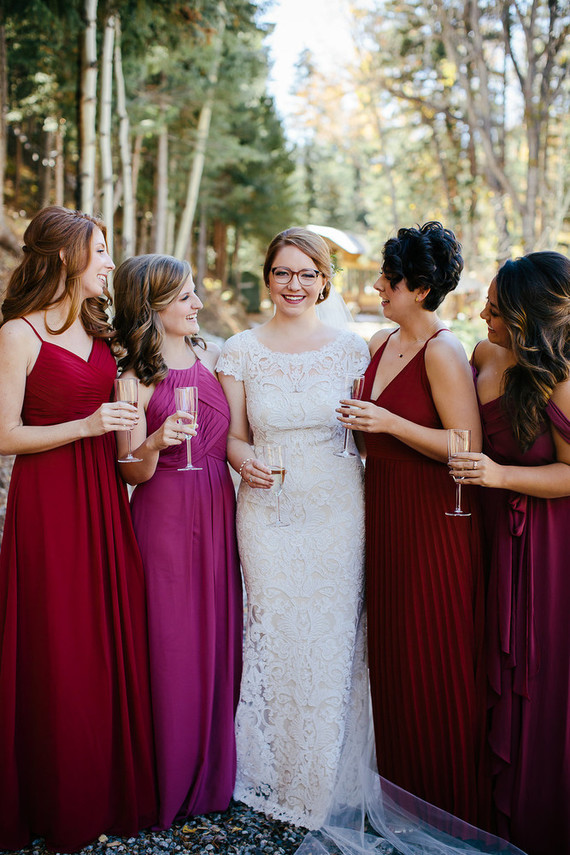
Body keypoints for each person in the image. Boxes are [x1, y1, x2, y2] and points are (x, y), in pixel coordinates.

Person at [0, 206, 157, 852]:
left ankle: (101, 786)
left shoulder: (102, 333)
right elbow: (3, 434)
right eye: (100, 251)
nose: (110, 263)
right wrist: (87, 426)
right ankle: (50, 794)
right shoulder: (19, 333)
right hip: (47, 508)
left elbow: (124, 423)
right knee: (55, 644)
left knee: (99, 640)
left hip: (101, 501)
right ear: (65, 256)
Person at [217, 227, 370, 830]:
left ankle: (327, 776)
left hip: (337, 508)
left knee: (331, 634)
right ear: (268, 278)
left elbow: (368, 433)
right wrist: (242, 461)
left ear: (325, 280)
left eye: (307, 274)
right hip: (267, 509)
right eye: (283, 272)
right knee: (273, 626)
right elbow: (231, 435)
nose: (294, 285)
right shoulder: (240, 349)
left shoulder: (354, 350)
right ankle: (270, 770)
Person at [339, 222, 489, 827]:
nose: (377, 286)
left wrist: (387, 424)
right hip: (388, 510)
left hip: (435, 523)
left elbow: (466, 448)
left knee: (432, 657)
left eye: (388, 280)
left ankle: (442, 805)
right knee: (393, 655)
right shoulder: (381, 341)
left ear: (420, 289)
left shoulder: (445, 352)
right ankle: (396, 796)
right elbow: (373, 433)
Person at [112, 254, 243, 829]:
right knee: (169, 640)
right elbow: (129, 472)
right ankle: (167, 776)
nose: (197, 304)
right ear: (154, 306)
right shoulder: (133, 377)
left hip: (218, 503)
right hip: (164, 512)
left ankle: (215, 774)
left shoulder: (212, 357)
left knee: (217, 633)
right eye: (186, 297)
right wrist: (158, 440)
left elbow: (235, 435)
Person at [448, 251, 570, 855]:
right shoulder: (483, 356)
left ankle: (543, 815)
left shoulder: (564, 378)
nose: (483, 313)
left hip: (552, 544)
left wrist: (499, 478)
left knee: (545, 675)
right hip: (497, 535)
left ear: (529, 314)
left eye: (495, 307)